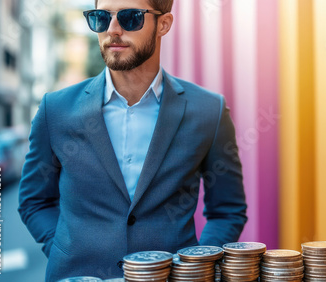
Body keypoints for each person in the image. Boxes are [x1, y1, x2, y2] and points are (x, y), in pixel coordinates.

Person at [18, 0, 247, 280]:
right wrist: (64, 250)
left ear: (163, 24)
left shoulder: (208, 110)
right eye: (101, 18)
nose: (113, 29)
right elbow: (34, 200)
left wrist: (197, 264)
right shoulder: (56, 110)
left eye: (130, 17)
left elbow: (228, 208)